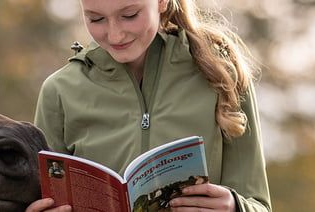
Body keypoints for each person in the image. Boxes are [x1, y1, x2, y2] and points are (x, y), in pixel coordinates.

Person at [26, 0, 271, 211]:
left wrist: (235, 206)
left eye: (130, 15)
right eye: (96, 19)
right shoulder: (59, 91)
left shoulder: (223, 75)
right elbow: (38, 198)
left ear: (162, 2)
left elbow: (259, 205)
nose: (115, 35)